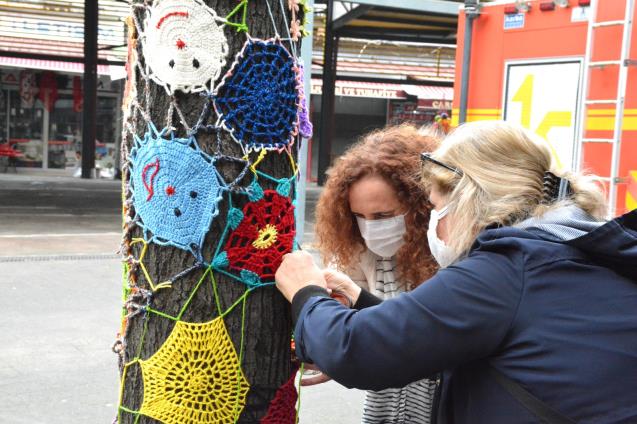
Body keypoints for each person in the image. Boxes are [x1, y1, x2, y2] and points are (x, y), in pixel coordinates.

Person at [276, 120, 637, 423]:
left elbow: (356, 350)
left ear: (468, 198)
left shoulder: (509, 268)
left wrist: (306, 292)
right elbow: (446, 338)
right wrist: (360, 302)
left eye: (436, 207)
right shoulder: (574, 248)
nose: (436, 223)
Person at [310, 124, 439, 423]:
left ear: (421, 205)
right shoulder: (361, 249)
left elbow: (426, 338)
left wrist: (357, 297)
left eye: (383, 216)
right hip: (386, 409)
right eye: (359, 217)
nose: (371, 228)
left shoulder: (451, 250)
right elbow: (362, 333)